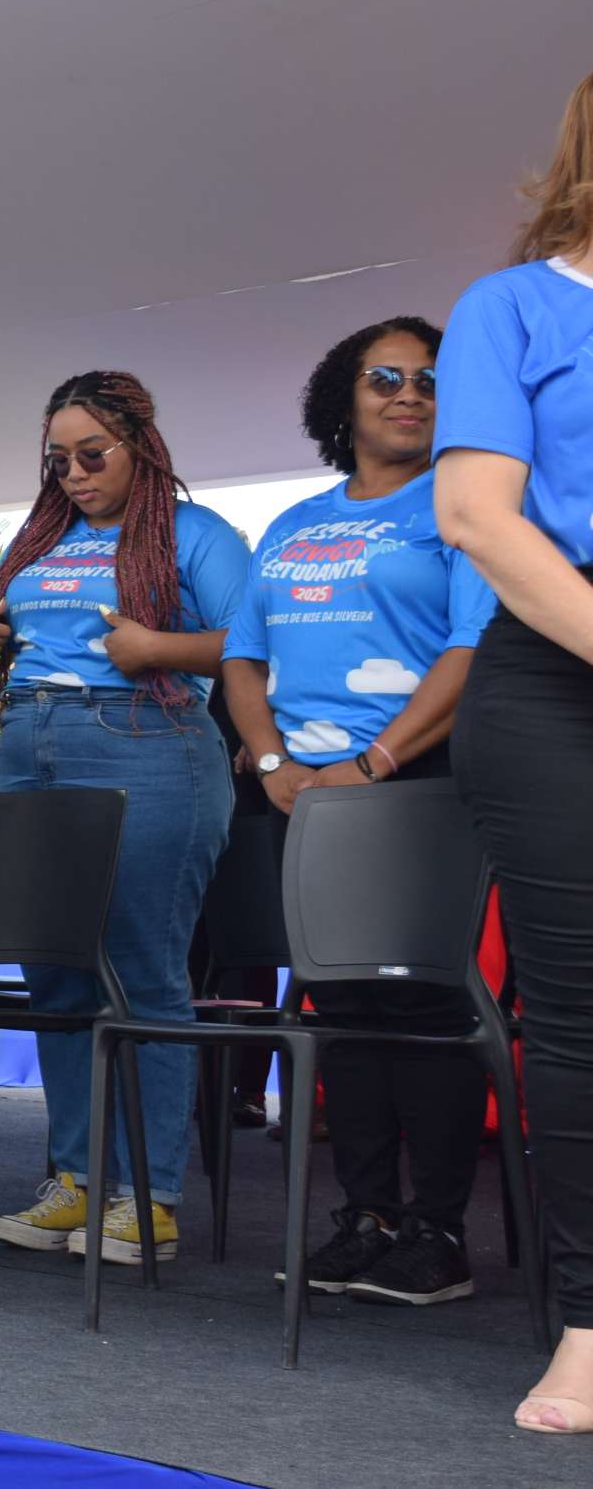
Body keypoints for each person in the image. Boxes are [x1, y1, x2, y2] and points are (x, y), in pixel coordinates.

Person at [0, 370, 247, 1266]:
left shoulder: (196, 533)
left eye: (91, 455)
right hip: (30, 743)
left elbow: (256, 639)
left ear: (139, 447)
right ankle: (77, 1178)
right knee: (57, 974)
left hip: (146, 743)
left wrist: (158, 646)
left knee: (142, 973)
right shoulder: (42, 539)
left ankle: (147, 1198)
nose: (73, 474)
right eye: (58, 460)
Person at [219, 317, 494, 1305]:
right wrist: (271, 762)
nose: (408, 392)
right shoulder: (294, 523)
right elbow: (241, 656)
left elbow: (470, 651)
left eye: (428, 379)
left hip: (413, 788)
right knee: (341, 1008)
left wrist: (373, 762)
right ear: (345, 398)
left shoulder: (461, 505)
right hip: (304, 800)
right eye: (385, 377)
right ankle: (367, 1215)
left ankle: (438, 1232)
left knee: (421, 1007)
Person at [434, 66, 593, 1437]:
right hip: (555, 671)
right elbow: (479, 514)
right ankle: (592, 1325)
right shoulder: (517, 306)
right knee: (582, 1015)